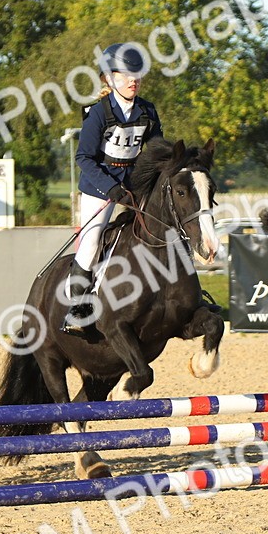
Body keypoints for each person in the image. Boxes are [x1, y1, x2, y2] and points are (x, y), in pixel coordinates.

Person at [63, 43, 164, 335]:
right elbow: (83, 158)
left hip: (134, 183)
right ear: (109, 78)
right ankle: (78, 309)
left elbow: (155, 151)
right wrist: (110, 188)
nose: (134, 80)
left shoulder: (147, 111)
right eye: (126, 75)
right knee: (92, 241)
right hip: (99, 184)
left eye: (137, 75)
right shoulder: (98, 113)